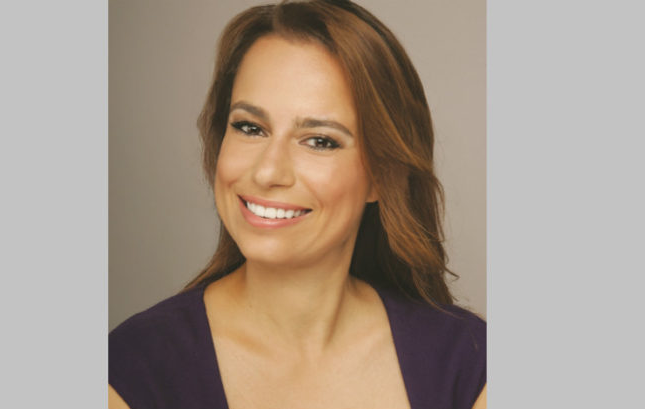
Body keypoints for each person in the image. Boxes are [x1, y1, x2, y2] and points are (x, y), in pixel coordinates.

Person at [109, 1, 486, 408]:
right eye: (250, 128)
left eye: (320, 141)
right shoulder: (131, 370)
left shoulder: (470, 364)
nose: (268, 171)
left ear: (383, 175)